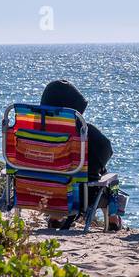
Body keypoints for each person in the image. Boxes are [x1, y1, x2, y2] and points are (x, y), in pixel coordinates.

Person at [40, 79, 114, 228]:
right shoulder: (82, 130)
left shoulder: (32, 127)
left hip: (36, 190)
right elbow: (106, 150)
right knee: (111, 182)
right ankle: (113, 220)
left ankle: (55, 216)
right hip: (78, 196)